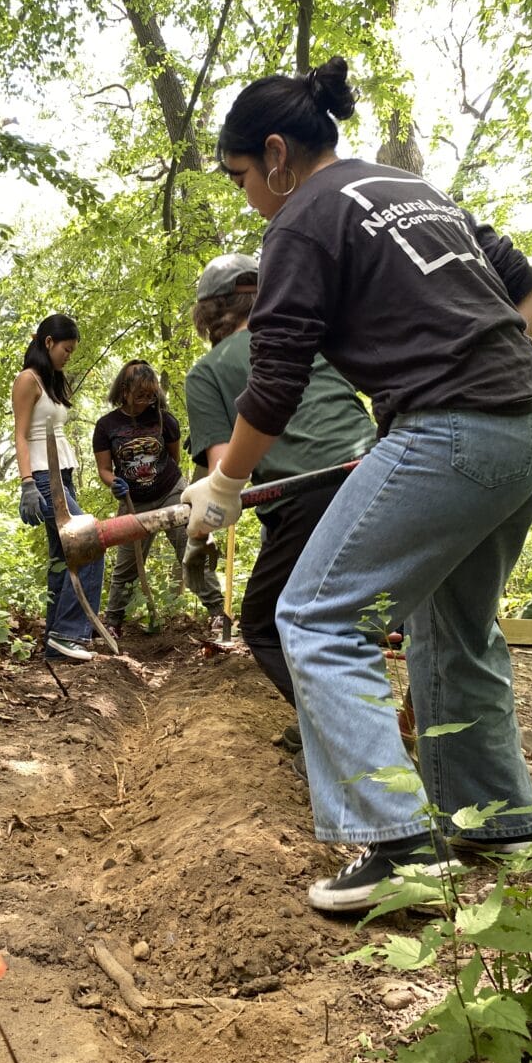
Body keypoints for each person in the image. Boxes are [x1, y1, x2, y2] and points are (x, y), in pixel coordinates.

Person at [181, 55, 532, 913]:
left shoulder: (301, 218)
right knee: (454, 628)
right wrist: (499, 373)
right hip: (529, 425)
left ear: (276, 154)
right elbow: (530, 288)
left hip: (450, 428)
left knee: (311, 615)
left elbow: (275, 377)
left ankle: (398, 845)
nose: (247, 196)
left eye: (241, 176)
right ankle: (499, 826)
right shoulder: (407, 187)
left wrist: (225, 484)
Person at [186, 253, 376, 769]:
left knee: (265, 621)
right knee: (347, 615)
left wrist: (197, 532)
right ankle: (341, 717)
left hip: (307, 494)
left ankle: (343, 738)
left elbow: (226, 474)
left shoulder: (208, 371)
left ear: (209, 313)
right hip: (383, 471)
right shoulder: (308, 341)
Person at [92, 359, 224, 639]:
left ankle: (217, 614)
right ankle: (113, 622)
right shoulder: (106, 426)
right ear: (124, 390)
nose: (146, 401)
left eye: (151, 394)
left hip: (170, 492)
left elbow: (173, 459)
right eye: (140, 394)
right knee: (126, 563)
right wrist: (113, 482)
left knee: (191, 548)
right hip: (132, 503)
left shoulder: (165, 420)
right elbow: (104, 468)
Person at [12, 314, 104, 662]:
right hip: (42, 479)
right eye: (66, 348)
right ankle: (69, 633)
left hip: (61, 475)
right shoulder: (27, 380)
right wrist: (26, 485)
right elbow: (21, 436)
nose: (69, 355)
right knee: (90, 543)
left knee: (62, 559)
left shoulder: (53, 381)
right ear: (48, 342)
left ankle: (55, 642)